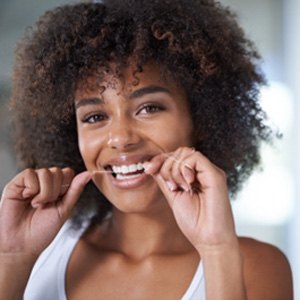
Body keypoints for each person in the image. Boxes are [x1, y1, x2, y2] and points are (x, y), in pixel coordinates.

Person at [0, 0, 293, 299]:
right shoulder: (38, 252)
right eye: (94, 117)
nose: (120, 138)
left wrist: (216, 249)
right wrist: (12, 259)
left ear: (201, 119)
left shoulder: (254, 266)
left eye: (149, 108)